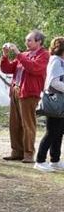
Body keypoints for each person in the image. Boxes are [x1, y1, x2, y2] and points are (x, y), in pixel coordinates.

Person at [0, 30, 49, 163]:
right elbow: (7, 69)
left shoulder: (44, 55)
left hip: (29, 93)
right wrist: (5, 56)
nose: (26, 43)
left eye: (29, 40)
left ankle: (28, 154)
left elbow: (34, 68)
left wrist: (18, 53)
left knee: (28, 124)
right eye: (26, 40)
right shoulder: (25, 54)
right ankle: (16, 152)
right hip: (16, 90)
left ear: (39, 42)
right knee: (14, 124)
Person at [35, 37, 64, 172]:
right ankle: (40, 160)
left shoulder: (61, 61)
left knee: (59, 132)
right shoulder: (56, 61)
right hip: (55, 101)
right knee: (52, 132)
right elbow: (53, 82)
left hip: (60, 102)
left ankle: (55, 160)